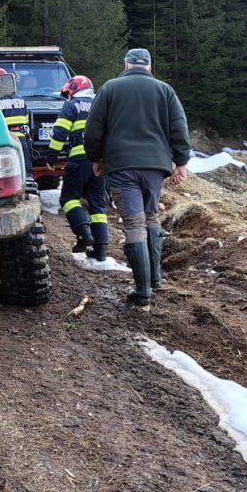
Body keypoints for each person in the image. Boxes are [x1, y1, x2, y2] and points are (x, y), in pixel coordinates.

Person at [83, 48, 190, 309]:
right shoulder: (165, 90)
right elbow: (179, 127)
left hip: (121, 165)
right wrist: (181, 162)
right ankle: (155, 279)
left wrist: (95, 158)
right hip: (156, 166)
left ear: (126, 65)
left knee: (134, 223)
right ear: (150, 67)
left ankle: (142, 292)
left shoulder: (109, 88)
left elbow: (93, 128)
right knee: (151, 216)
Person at [44, 75, 109, 260]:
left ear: (73, 88)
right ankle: (101, 251)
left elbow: (60, 132)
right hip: (102, 162)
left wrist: (52, 156)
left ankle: (83, 234)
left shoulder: (71, 105)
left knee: (68, 198)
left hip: (79, 159)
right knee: (98, 204)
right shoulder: (102, 104)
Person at [0, 67, 34, 177]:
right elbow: (26, 120)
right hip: (22, 137)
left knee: (8, 169)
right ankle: (29, 183)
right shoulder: (21, 100)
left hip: (6, 137)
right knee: (26, 164)